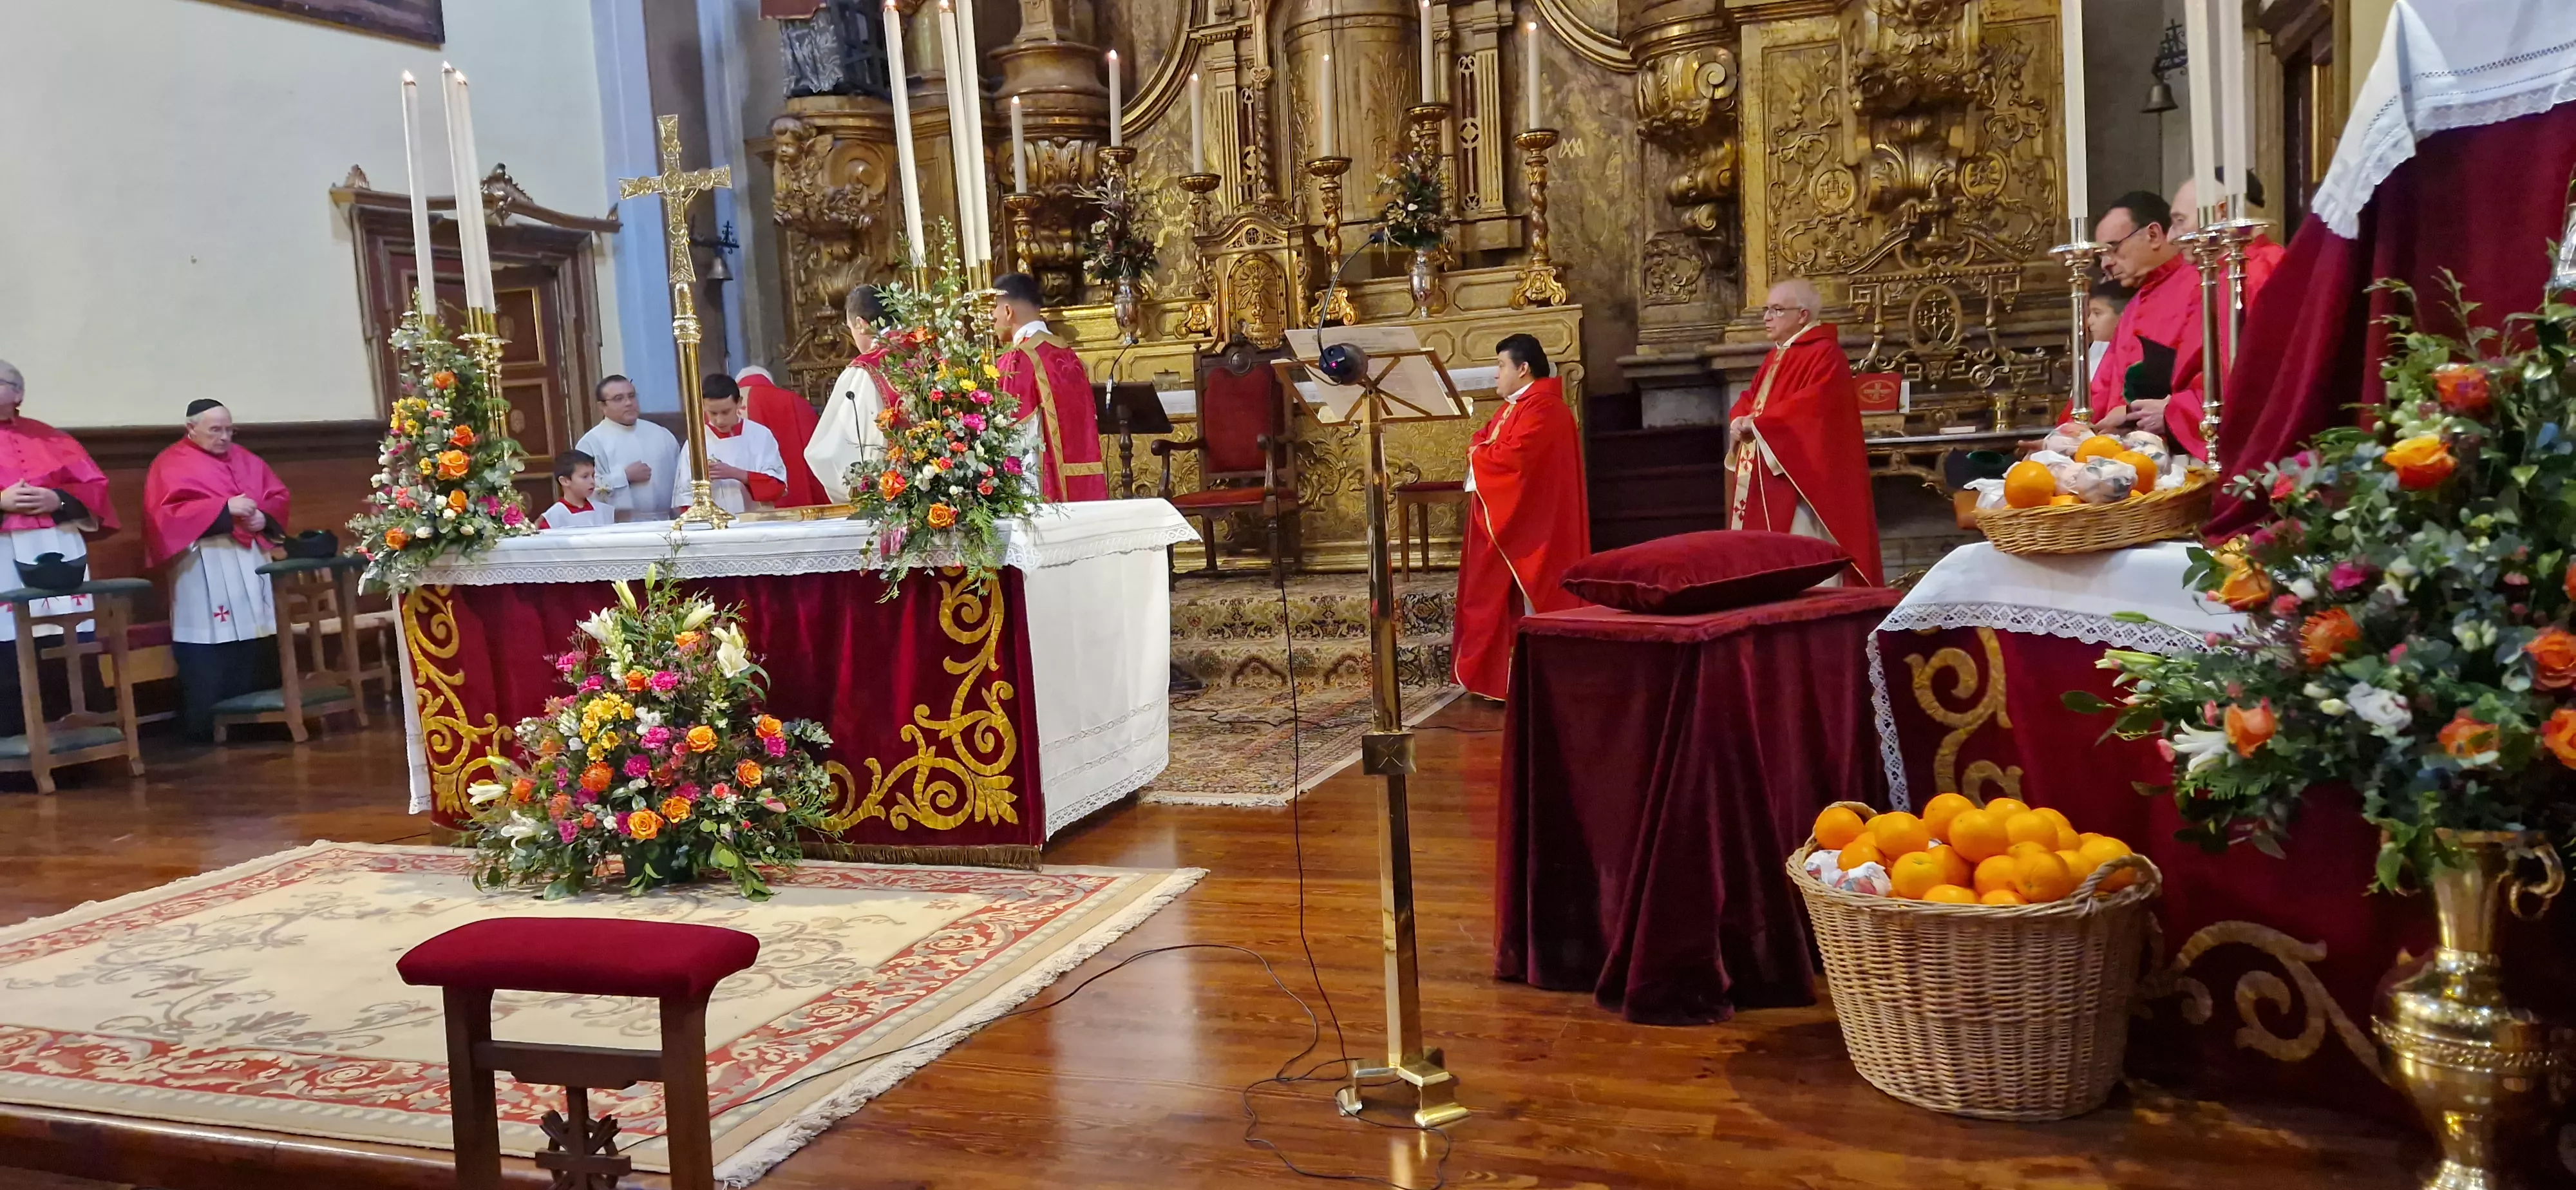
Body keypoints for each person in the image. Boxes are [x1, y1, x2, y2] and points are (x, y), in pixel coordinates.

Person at [1452, 334, 1589, 701]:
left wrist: (1480, 453)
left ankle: (1533, 681)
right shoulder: (1516, 407)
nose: (1495, 375)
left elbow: (1509, 460)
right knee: (1492, 596)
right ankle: (1504, 680)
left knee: (1527, 598)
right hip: (1511, 520)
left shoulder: (1544, 409)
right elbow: (1482, 441)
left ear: (1523, 368)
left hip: (1534, 529)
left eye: (1501, 366)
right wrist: (1482, 451)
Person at [145, 399, 290, 741]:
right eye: (216, 430)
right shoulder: (170, 463)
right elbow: (163, 516)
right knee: (212, 636)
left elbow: (277, 495)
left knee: (257, 631)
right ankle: (207, 724)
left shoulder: (247, 459)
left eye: (229, 430)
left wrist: (263, 517)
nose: (224, 437)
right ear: (190, 429)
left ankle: (264, 718)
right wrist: (223, 509)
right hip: (203, 562)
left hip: (250, 558)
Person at [1727, 279, 1882, 586]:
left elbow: (1814, 410)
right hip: (1774, 470)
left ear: (1803, 315)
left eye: (1777, 310)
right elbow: (1755, 398)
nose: (1767, 317)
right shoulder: (1778, 354)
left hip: (1804, 481)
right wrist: (1740, 418)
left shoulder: (1825, 354)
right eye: (1766, 310)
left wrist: (1760, 424)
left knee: (1806, 559)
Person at [2084, 190, 2210, 456]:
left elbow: (2208, 384)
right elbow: (2102, 388)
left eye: (2113, 248)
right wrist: (2068, 438)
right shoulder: (2135, 303)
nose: (2106, 263)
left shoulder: (2201, 286)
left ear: (2153, 235)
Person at [0, 361, 117, 645]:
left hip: (57, 542)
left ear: (18, 394)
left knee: (67, 639)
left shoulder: (52, 438)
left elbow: (94, 487)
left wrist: (58, 499)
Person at [990, 272, 1107, 502]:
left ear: (1007, 311)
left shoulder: (1017, 360)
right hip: (1082, 492)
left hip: (1042, 492)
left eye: (994, 311)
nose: (993, 318)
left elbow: (1016, 437)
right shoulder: (1068, 354)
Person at [808, 285, 896, 504]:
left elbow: (833, 450)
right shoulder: (928, 353)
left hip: (889, 497)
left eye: (851, 329)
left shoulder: (864, 371)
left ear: (861, 324)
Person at [672, 375, 788, 515]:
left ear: (739, 403)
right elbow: (686, 498)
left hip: (755, 522)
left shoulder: (760, 435)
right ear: (703, 406)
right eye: (713, 413)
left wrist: (736, 474)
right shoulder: (697, 442)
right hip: (714, 526)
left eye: (726, 412)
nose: (719, 420)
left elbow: (777, 487)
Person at [574, 374, 681, 522]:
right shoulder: (591, 442)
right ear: (602, 406)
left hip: (667, 522)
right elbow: (580, 490)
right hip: (622, 525)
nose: (628, 403)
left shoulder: (662, 434)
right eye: (619, 399)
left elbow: (681, 480)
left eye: (632, 396)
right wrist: (624, 477)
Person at [734, 364, 828, 507]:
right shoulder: (792, 400)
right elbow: (816, 448)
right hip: (792, 499)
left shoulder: (722, 408)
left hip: (738, 501)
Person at [537, 450, 613, 530]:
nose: (592, 481)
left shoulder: (603, 512)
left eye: (593, 476)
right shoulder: (552, 518)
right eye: (585, 477)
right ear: (565, 481)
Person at [2086, 278, 2130, 382]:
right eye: (2090, 314)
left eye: (2097, 314)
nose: (2089, 322)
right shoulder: (2100, 350)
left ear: (2124, 315)